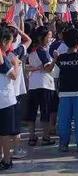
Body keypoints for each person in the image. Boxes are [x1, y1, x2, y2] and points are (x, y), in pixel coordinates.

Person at [25, 26, 56, 146]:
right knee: (45, 111)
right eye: (48, 36)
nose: (50, 38)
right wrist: (55, 60)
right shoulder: (42, 51)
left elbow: (26, 66)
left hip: (33, 84)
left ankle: (32, 137)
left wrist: (35, 68)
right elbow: (48, 68)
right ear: (42, 38)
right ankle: (46, 137)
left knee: (32, 111)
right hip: (45, 84)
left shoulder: (31, 50)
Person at [7, 23, 32, 160]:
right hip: (14, 93)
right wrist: (19, 29)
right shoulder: (16, 53)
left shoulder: (4, 54)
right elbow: (28, 40)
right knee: (15, 124)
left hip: (6, 94)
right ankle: (16, 149)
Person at [0, 26, 21, 170]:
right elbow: (13, 75)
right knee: (5, 132)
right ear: (4, 41)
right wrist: (16, 64)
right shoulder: (2, 56)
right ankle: (7, 160)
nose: (11, 45)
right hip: (5, 99)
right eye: (10, 42)